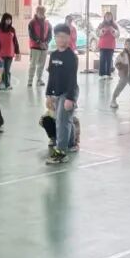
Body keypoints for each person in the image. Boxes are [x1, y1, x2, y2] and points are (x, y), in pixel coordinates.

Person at [46, 24, 79, 165]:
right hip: (57, 91)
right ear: (55, 38)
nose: (61, 39)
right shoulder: (53, 55)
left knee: (62, 120)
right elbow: (51, 76)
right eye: (58, 36)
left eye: (64, 36)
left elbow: (72, 79)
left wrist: (70, 98)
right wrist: (49, 95)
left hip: (69, 91)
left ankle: (61, 152)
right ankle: (71, 143)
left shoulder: (71, 56)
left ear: (69, 38)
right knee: (63, 119)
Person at [0, 13, 20, 90]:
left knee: (7, 70)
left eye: (10, 19)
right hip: (0, 53)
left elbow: (15, 41)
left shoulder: (12, 29)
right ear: (3, 20)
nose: (9, 21)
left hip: (10, 53)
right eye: (7, 19)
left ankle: (7, 84)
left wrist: (17, 52)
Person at [27, 6, 52, 87]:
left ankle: (39, 80)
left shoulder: (47, 23)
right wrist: (39, 42)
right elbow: (31, 34)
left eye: (43, 12)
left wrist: (46, 42)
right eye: (40, 12)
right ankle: (30, 80)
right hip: (35, 47)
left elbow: (50, 35)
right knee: (33, 64)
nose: (42, 14)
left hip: (44, 47)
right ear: (37, 12)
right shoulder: (32, 22)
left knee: (41, 65)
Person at [96, 11, 120, 79]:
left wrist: (113, 30)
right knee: (102, 59)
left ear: (112, 17)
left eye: (109, 16)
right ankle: (102, 74)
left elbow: (118, 35)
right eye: (107, 16)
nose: (108, 18)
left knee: (109, 60)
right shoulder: (101, 24)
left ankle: (108, 74)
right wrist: (103, 30)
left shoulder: (115, 25)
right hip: (102, 45)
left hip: (111, 45)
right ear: (104, 17)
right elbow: (97, 33)